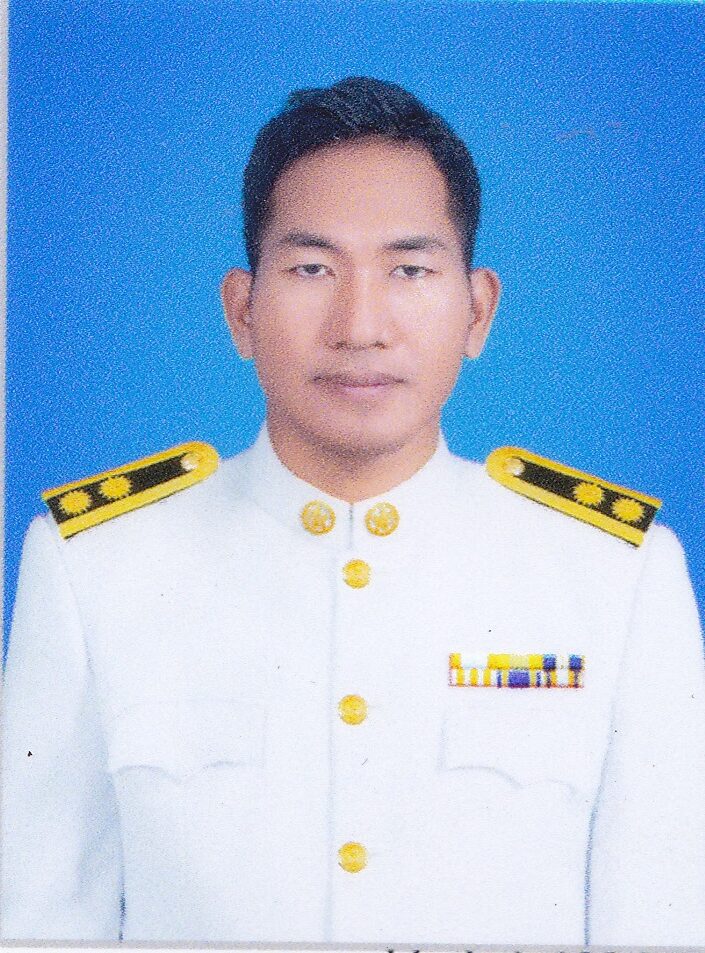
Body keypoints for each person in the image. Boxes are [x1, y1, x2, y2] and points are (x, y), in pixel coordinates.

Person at [2, 76, 704, 946]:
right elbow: (39, 923)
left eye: (408, 269)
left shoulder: (615, 577)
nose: (360, 324)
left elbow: (662, 923)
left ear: (477, 309)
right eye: (312, 269)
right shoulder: (94, 566)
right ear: (242, 310)